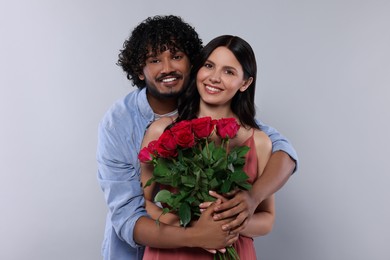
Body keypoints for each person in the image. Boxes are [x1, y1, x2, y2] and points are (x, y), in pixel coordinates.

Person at [97, 15, 298, 260]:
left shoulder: (254, 136)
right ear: (140, 69)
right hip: (145, 250)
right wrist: (194, 227)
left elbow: (282, 152)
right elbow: (131, 212)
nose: (168, 67)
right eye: (155, 60)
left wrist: (238, 210)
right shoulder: (130, 124)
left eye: (177, 56)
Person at [140, 35, 276, 259]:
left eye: (228, 71)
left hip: (234, 250)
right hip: (172, 252)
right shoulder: (161, 130)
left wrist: (227, 223)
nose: (214, 78)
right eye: (209, 66)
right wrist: (193, 228)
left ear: (245, 83)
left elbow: (267, 219)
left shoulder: (260, 141)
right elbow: (142, 204)